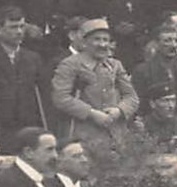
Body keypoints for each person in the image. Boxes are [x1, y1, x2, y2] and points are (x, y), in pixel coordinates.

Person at [0, 5, 51, 154]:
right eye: (13, 27)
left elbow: (44, 100)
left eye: (22, 26)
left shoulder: (33, 59)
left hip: (30, 133)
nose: (19, 32)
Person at [50, 18, 139, 149]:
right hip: (81, 134)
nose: (102, 44)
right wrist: (91, 113)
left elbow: (132, 97)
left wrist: (119, 111)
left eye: (106, 40)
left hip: (115, 136)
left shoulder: (115, 65)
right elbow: (60, 98)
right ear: (85, 42)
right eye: (97, 39)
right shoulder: (69, 65)